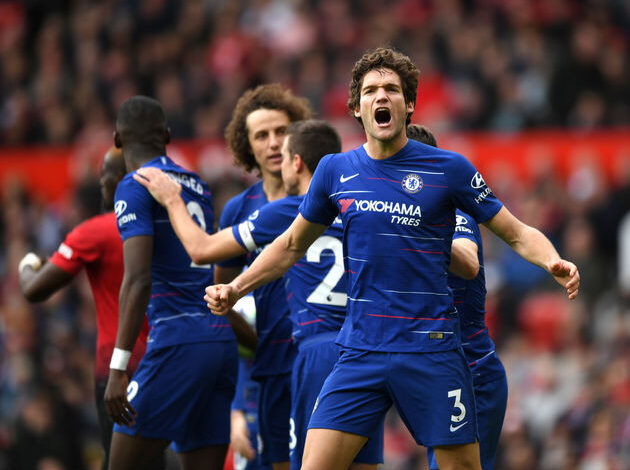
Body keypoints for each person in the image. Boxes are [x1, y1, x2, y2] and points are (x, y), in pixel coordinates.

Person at [204, 47, 580, 470]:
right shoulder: (334, 171)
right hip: (360, 351)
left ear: (409, 104)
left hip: (431, 351)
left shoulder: (449, 169)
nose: (381, 96)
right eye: (370, 91)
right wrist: (236, 288)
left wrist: (552, 260)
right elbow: (290, 245)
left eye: (391, 89)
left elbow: (515, 231)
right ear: (356, 108)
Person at [133, 119, 383, 470]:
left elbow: (201, 249)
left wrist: (173, 200)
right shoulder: (361, 208)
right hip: (366, 352)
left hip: (316, 352)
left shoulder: (291, 210)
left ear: (296, 162)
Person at [103, 95, 237, 470]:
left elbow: (138, 279)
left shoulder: (134, 184)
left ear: (117, 140)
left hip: (178, 341)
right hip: (220, 342)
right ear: (166, 135)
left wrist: (118, 367)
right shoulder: (197, 184)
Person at [18, 146, 150, 470]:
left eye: (104, 174)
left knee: (118, 461)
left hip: (116, 371)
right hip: (166, 361)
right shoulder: (164, 227)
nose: (101, 180)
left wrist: (28, 262)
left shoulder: (95, 232)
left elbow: (34, 290)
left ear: (118, 180)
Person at [218, 84, 312, 470]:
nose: (274, 143)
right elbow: (219, 298)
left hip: (329, 359)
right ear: (247, 145)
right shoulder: (238, 211)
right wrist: (256, 342)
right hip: (273, 367)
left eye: (281, 131)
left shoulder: (325, 198)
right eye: (261, 135)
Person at [407, 124, 508, 470]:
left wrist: (416, 231)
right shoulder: (393, 221)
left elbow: (468, 261)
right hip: (432, 372)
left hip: (471, 373)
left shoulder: (455, 216)